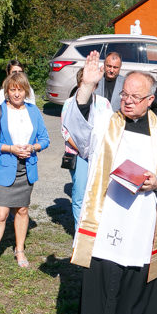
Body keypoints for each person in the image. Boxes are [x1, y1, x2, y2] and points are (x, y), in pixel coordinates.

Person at [71, 68, 157, 314]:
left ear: (150, 99)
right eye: (124, 94)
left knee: (143, 267)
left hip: (144, 216)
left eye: (135, 97)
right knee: (105, 267)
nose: (127, 101)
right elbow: (77, 130)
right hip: (108, 213)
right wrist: (87, 86)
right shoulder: (104, 124)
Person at [0, 71, 50, 277]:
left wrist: (34, 146)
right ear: (7, 92)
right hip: (5, 168)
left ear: (26, 91)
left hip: (26, 167)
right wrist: (10, 148)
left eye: (20, 90)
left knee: (21, 211)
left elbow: (45, 139)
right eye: (13, 90)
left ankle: (20, 251)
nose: (17, 94)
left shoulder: (34, 111)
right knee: (0, 214)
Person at [61, 63, 113, 230]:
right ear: (80, 83)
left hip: (99, 155)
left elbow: (110, 127)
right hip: (79, 155)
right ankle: (79, 231)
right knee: (80, 194)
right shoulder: (69, 103)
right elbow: (66, 132)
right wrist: (84, 150)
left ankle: (97, 230)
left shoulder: (104, 103)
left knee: (99, 193)